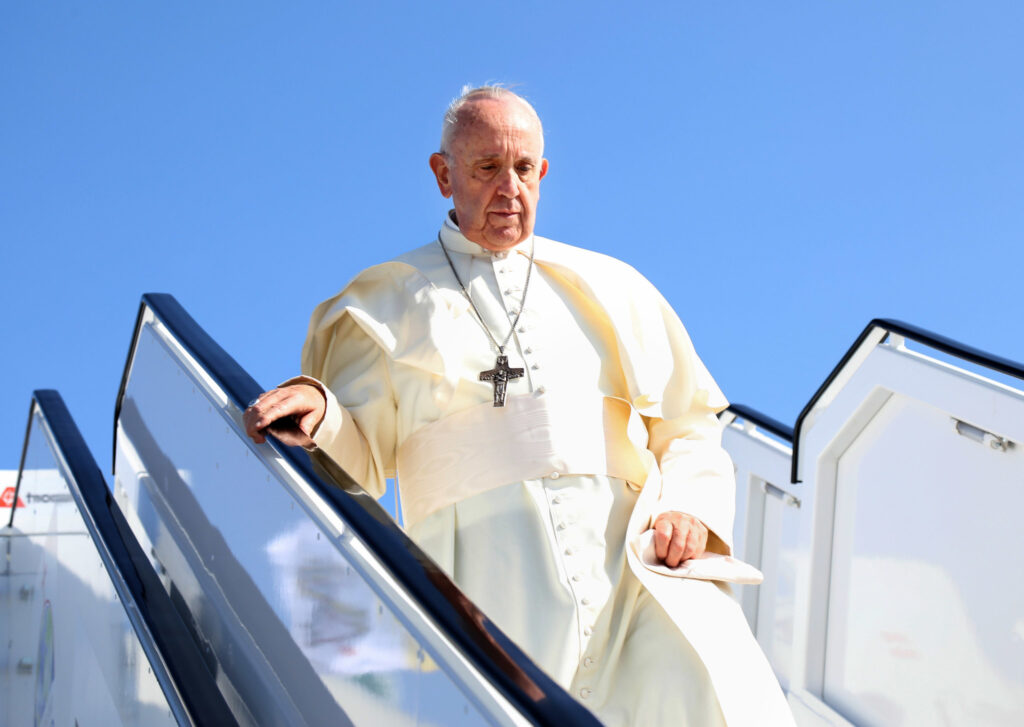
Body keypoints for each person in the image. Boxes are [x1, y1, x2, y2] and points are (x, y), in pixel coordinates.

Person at [245, 85, 795, 726]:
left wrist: (688, 508)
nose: (510, 188)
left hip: (638, 578)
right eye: (487, 168)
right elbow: (360, 457)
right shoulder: (377, 304)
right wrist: (321, 406)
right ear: (443, 174)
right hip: (485, 595)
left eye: (525, 168)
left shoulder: (613, 286)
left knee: (710, 698)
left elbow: (688, 420)